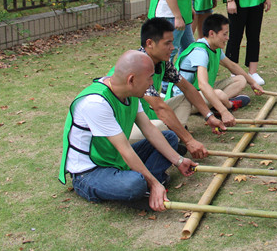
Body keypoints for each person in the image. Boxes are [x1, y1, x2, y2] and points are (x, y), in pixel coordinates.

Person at [59, 50, 198, 212]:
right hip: (90, 172)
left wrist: (179, 161)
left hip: (114, 159)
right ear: (131, 79)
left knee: (169, 138)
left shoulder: (130, 93)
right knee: (134, 184)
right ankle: (147, 185)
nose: (152, 83)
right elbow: (125, 149)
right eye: (149, 78)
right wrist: (153, 182)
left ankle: (148, 186)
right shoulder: (95, 103)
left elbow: (150, 130)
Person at [124, 18, 232, 158]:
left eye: (172, 42)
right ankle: (166, 142)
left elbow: (188, 89)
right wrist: (190, 140)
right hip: (123, 128)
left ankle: (173, 138)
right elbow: (160, 108)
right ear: (150, 43)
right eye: (167, 43)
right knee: (161, 129)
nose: (173, 47)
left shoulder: (162, 63)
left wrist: (209, 116)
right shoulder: (138, 66)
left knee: (185, 100)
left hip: (144, 116)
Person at [167, 14, 264, 120]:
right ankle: (228, 105)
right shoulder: (200, 53)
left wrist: (253, 83)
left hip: (200, 92)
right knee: (219, 94)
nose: (227, 38)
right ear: (212, 33)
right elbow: (203, 85)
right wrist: (224, 112)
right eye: (225, 34)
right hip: (186, 99)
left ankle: (215, 105)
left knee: (241, 79)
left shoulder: (214, 47)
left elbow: (231, 65)